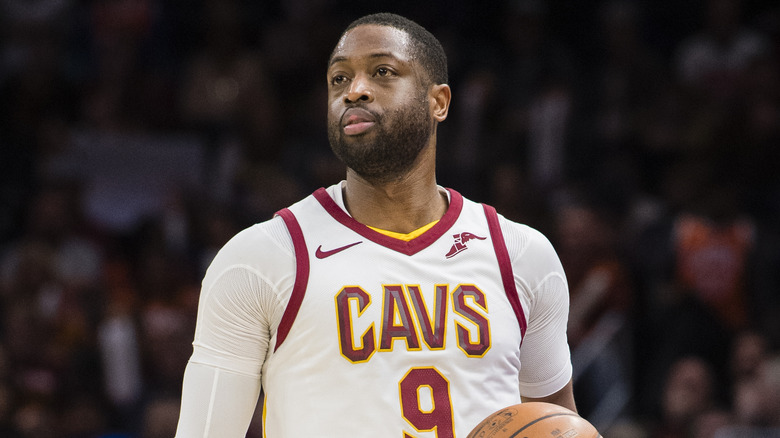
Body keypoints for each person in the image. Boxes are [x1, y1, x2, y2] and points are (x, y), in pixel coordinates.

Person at [175, 12, 576, 437]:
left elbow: (558, 427)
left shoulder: (520, 255)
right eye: (338, 79)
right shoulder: (260, 259)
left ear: (438, 101)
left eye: (382, 72)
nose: (354, 91)